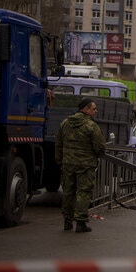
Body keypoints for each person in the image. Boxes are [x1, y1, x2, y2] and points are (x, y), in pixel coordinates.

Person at [56, 98, 107, 233]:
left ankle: (67, 221)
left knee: (68, 192)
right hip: (85, 165)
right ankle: (80, 223)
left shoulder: (65, 123)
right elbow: (100, 147)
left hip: (68, 164)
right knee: (83, 192)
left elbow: (59, 144)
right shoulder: (91, 126)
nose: (96, 111)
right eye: (94, 109)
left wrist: (60, 160)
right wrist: (97, 155)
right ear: (86, 109)